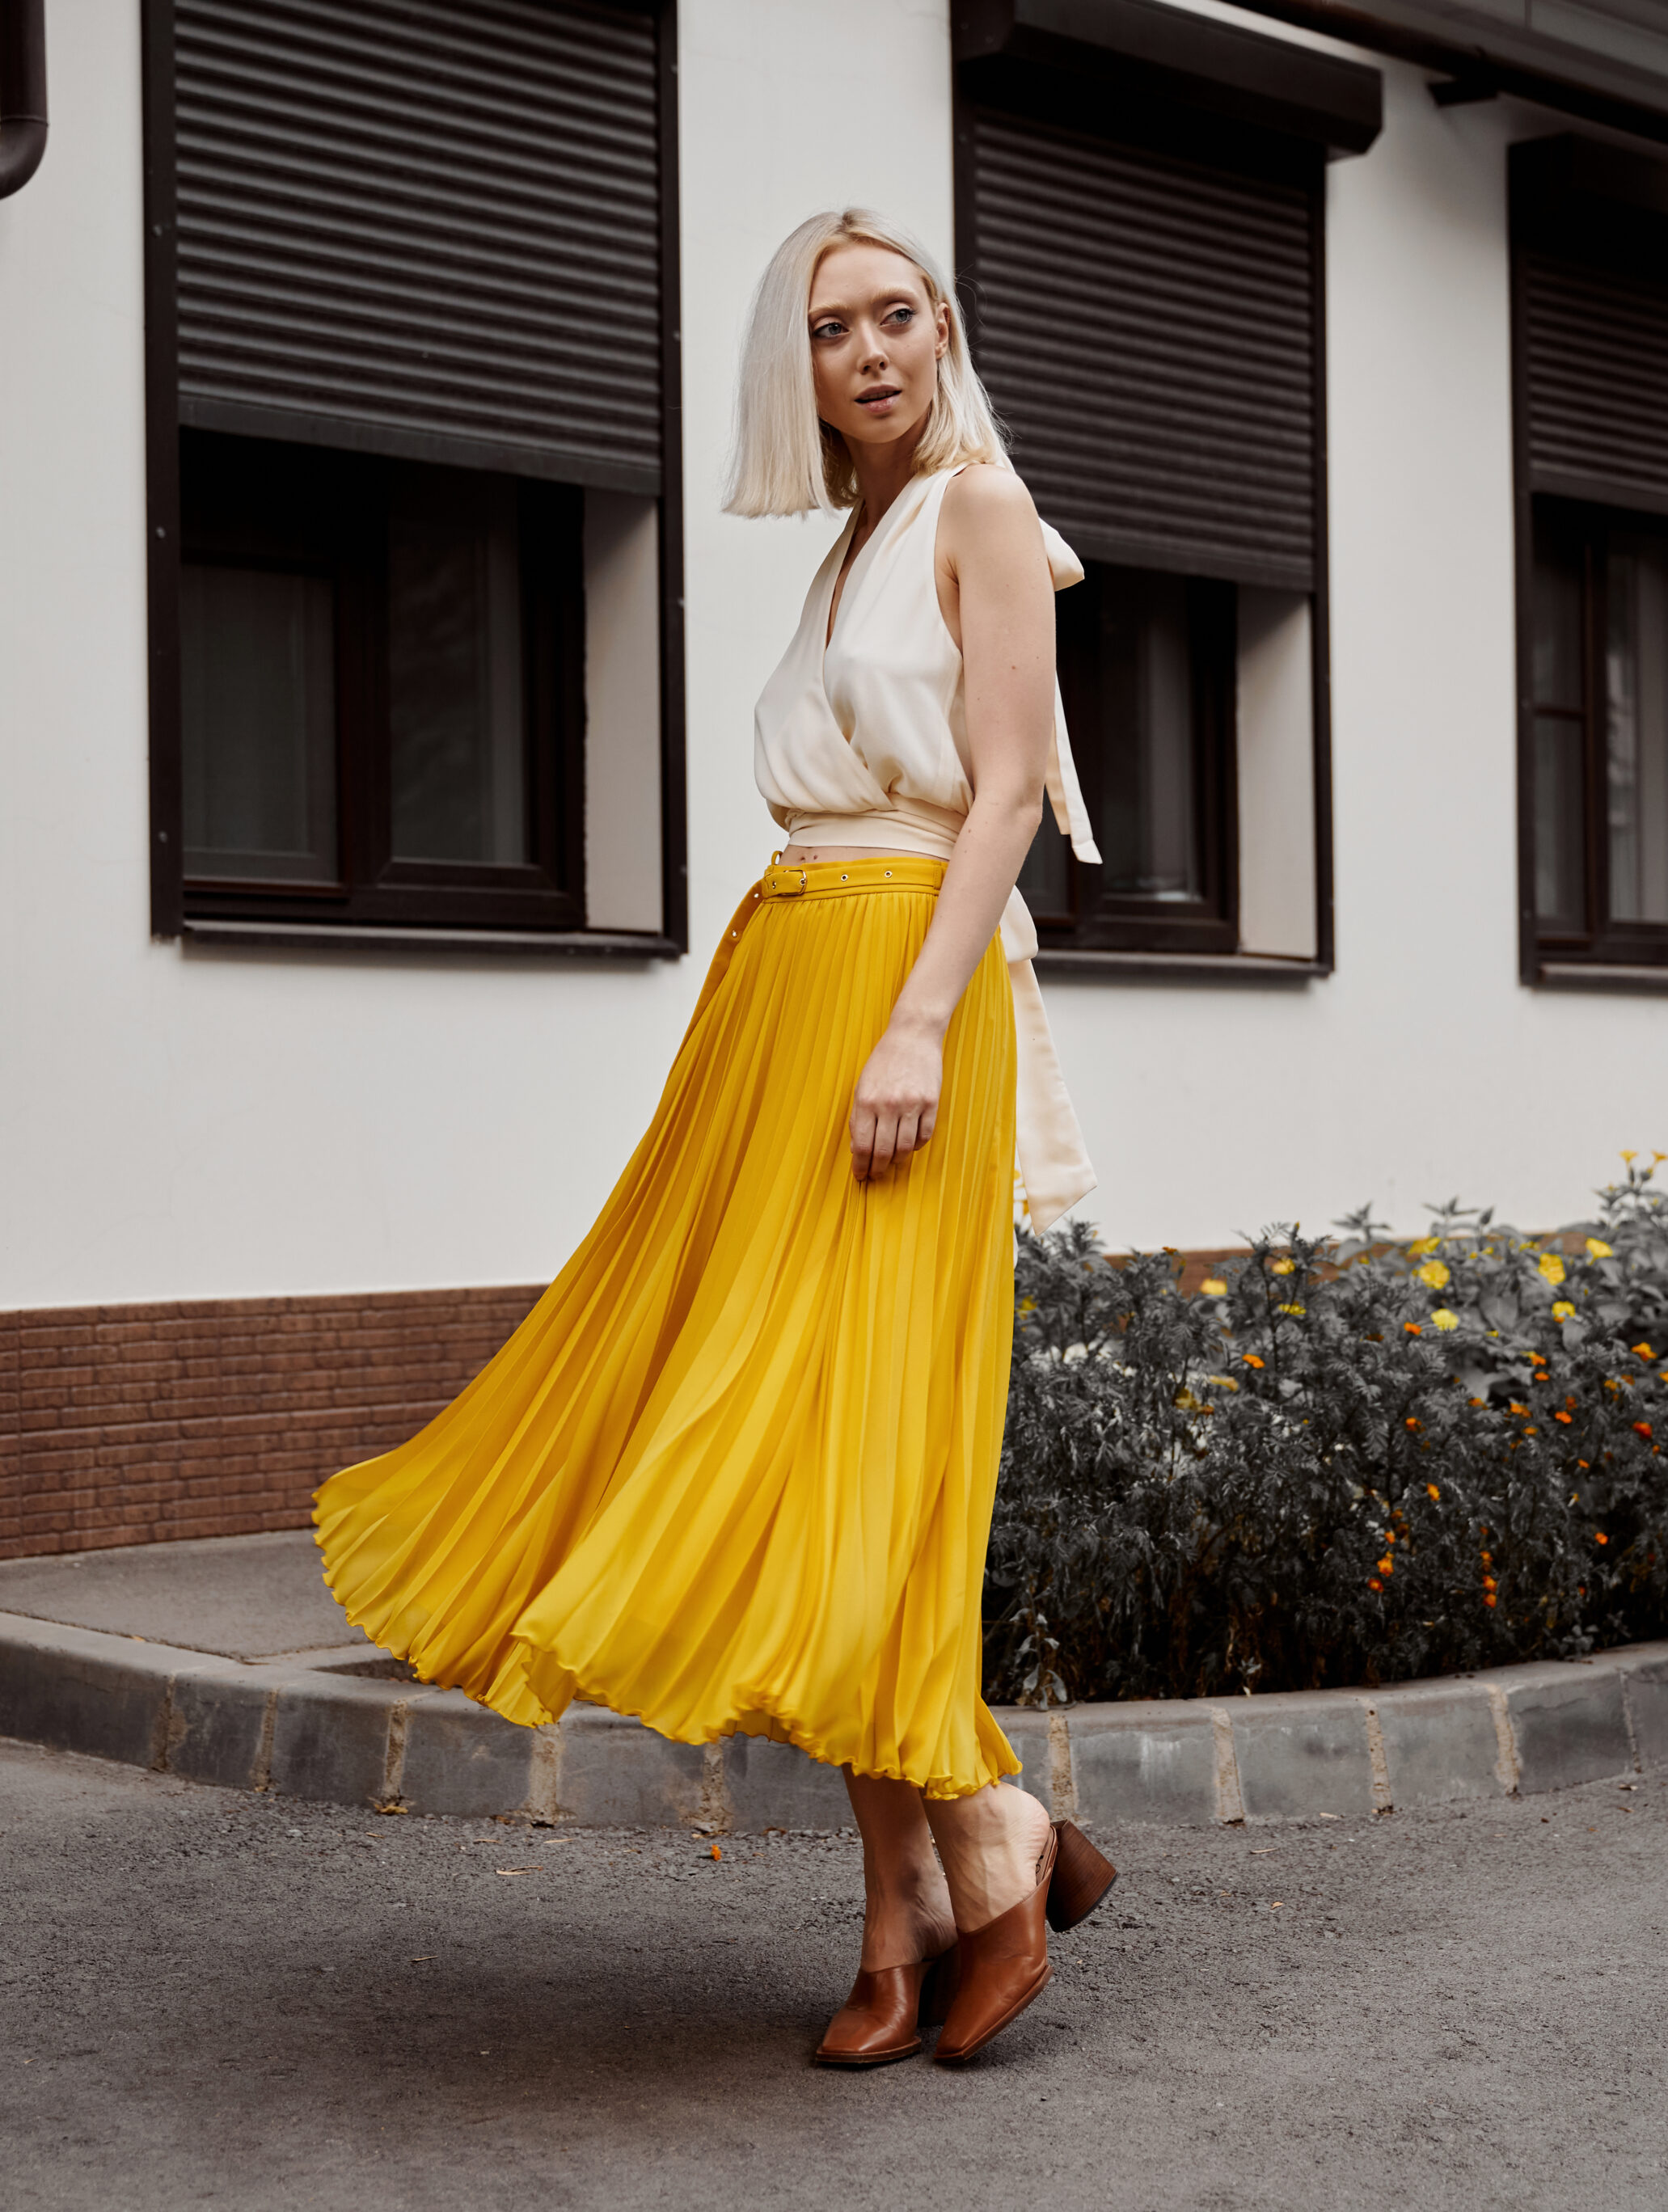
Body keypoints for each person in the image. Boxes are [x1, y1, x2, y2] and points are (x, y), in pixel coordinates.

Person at [314, 208, 1117, 2068]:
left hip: (902, 1004)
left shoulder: (983, 513)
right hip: (785, 1004)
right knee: (788, 1447)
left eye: (898, 316)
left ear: (944, 328)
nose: (872, 353)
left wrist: (915, 1022)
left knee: (858, 1463)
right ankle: (928, 1891)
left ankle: (979, 1869)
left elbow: (1004, 795)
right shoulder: (847, 542)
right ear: (801, 366)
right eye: (833, 328)